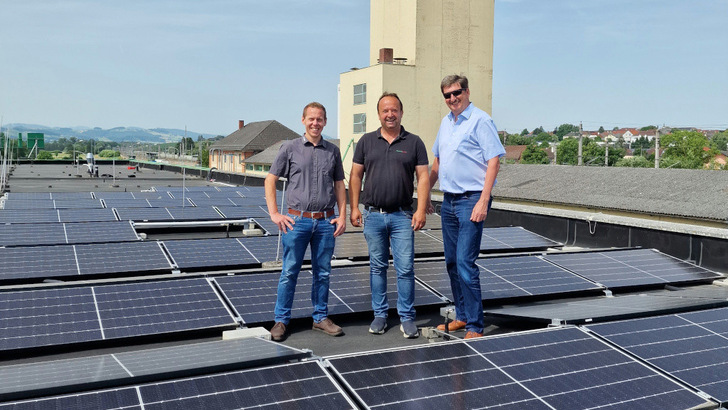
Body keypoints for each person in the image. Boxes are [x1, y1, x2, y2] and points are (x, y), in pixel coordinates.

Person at [427, 75, 505, 339]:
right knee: (451, 262)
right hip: (448, 201)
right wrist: (424, 192)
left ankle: (475, 325)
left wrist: (484, 199)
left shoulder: (481, 120)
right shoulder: (446, 123)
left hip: (471, 199)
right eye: (447, 95)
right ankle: (461, 315)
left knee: (464, 262)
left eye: (456, 93)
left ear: (467, 91)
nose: (452, 99)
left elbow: (493, 161)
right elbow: (437, 162)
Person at [265, 102, 347, 342]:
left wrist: (342, 216)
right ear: (303, 120)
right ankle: (281, 320)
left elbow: (340, 185)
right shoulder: (289, 148)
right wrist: (274, 213)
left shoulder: (332, 151)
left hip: (324, 222)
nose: (315, 123)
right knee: (290, 271)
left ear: (325, 122)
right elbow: (270, 180)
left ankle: (320, 318)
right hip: (296, 221)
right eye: (311, 119)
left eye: (320, 119)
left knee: (322, 273)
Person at [349, 92, 430, 339]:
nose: (390, 114)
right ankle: (380, 315)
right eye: (385, 111)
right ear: (379, 114)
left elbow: (424, 177)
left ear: (401, 112)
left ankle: (406, 317)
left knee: (405, 268)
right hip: (373, 216)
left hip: (402, 216)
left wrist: (420, 209)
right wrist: (354, 207)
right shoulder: (365, 141)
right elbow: (355, 176)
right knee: (377, 268)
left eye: (394, 110)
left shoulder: (414, 142)